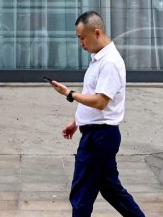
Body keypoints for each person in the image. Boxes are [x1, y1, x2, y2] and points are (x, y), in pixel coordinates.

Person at [48, 11, 146, 217]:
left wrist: (69, 93)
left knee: (82, 193)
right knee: (111, 190)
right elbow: (93, 97)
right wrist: (76, 121)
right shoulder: (99, 60)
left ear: (97, 33)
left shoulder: (109, 62)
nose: (81, 43)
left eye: (82, 38)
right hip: (98, 133)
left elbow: (101, 101)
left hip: (100, 136)